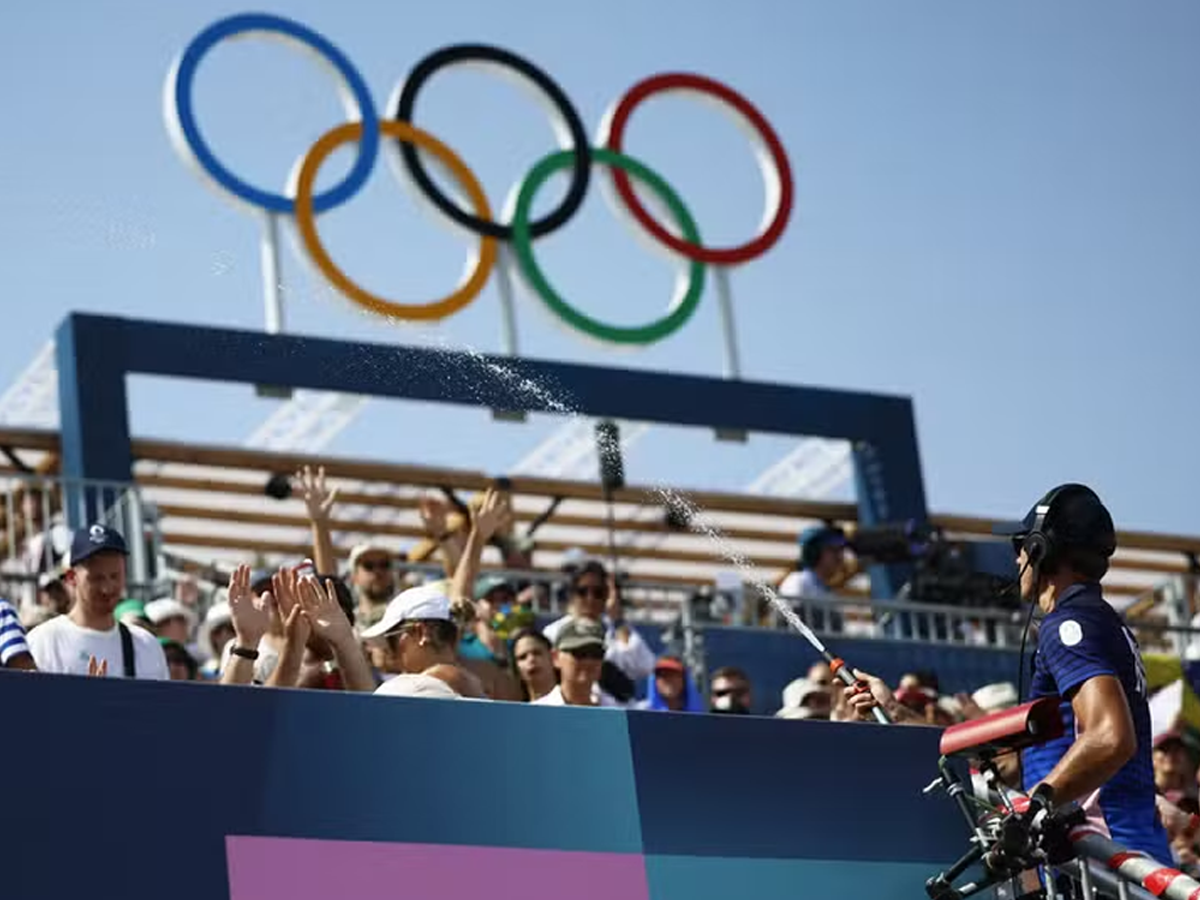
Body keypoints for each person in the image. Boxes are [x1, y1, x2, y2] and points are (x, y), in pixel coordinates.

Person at [851, 484, 1171, 863]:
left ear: (1041, 549)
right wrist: (901, 715)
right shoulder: (1096, 622)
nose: (1017, 558)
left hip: (1109, 864)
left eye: (1020, 544)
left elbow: (1110, 738)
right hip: (1124, 861)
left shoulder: (1069, 625)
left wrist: (1035, 808)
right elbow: (1009, 767)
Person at [26, 524, 168, 679]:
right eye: (96, 578)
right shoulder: (43, 641)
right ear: (72, 578)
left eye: (115, 576)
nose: (107, 588)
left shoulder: (146, 645)